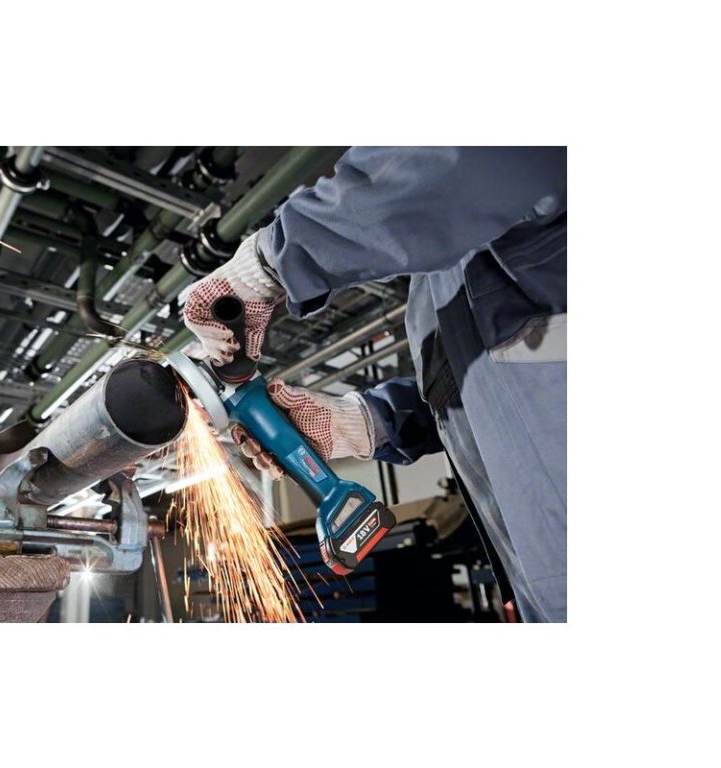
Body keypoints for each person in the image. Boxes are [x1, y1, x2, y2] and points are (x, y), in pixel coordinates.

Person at [183, 147, 566, 622]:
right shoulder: (441, 280)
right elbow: (486, 390)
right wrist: (366, 423)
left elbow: (473, 155)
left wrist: (271, 262)